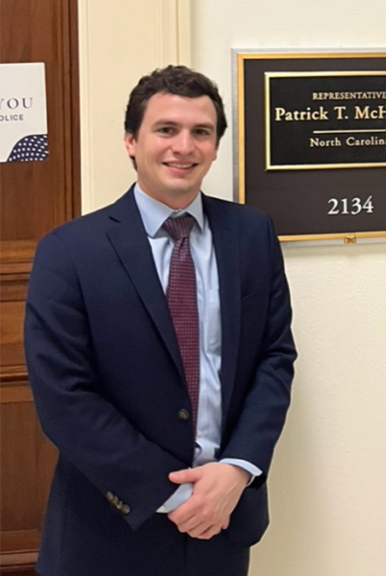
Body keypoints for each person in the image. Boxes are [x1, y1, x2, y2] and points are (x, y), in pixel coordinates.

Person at [23, 65, 296, 576]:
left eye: (201, 132)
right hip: (109, 527)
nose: (184, 147)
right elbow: (64, 397)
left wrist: (237, 470)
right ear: (131, 141)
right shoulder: (69, 252)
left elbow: (274, 360)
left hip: (223, 517)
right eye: (166, 130)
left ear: (215, 147)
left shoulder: (252, 235)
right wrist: (173, 495)